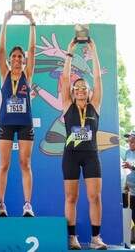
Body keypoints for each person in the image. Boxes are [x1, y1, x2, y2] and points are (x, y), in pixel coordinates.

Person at [61, 38, 107, 249]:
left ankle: (96, 239)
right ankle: (72, 238)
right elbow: (64, 78)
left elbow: (97, 78)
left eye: (84, 87)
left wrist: (94, 50)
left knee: (94, 196)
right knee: (71, 197)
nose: (80, 89)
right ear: (72, 91)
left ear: (89, 92)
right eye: (76, 87)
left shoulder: (94, 105)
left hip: (91, 156)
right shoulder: (67, 105)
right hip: (71, 155)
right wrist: (69, 52)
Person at [0, 10, 36, 217]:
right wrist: (5, 21)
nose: (17, 58)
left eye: (21, 56)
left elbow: (32, 48)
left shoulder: (27, 75)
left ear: (24, 59)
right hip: (6, 122)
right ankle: (0, 204)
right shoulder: (5, 74)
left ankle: (27, 204)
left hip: (25, 123)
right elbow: (1, 49)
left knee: (25, 163)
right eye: (14, 56)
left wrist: (31, 23)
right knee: (4, 164)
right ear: (10, 60)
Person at [122, 132, 135, 230]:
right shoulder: (127, 152)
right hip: (132, 191)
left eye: (133, 142)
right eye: (129, 142)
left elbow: (131, 167)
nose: (130, 144)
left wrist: (132, 167)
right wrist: (126, 184)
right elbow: (127, 170)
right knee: (133, 215)